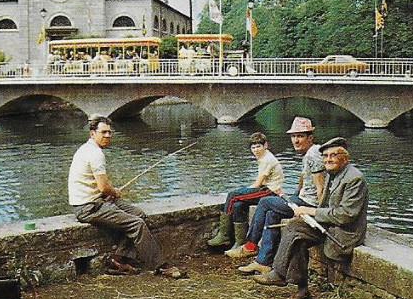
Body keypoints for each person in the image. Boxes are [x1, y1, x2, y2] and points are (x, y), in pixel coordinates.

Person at [68, 116, 186, 279]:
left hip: (97, 201)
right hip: (88, 208)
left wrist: (107, 196)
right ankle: (160, 266)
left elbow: (97, 188)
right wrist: (114, 193)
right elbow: (104, 187)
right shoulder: (95, 154)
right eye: (104, 132)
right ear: (92, 134)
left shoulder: (87, 150)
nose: (108, 135)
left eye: (110, 132)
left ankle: (117, 260)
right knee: (137, 224)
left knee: (139, 215)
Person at [254, 139, 368, 299]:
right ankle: (298, 288)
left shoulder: (354, 179)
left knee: (297, 233)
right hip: (329, 224)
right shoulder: (333, 173)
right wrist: (307, 216)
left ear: (345, 158)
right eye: (325, 156)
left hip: (343, 233)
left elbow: (346, 215)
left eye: (333, 155)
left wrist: (310, 211)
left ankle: (281, 276)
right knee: (294, 227)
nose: (328, 159)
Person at [226, 117, 324, 276]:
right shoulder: (309, 154)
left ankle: (250, 246)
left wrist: (320, 214)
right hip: (302, 199)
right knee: (272, 213)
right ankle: (263, 262)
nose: (296, 140)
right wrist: (293, 194)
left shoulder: (313, 155)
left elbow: (321, 187)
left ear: (310, 137)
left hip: (309, 204)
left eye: (300, 136)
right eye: (293, 136)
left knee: (265, 202)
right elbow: (303, 178)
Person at [208, 132, 284, 253]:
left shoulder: (267, 160)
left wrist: (243, 191)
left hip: (269, 191)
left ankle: (224, 235)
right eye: (253, 147)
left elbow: (258, 184)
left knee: (233, 195)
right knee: (238, 205)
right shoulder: (264, 156)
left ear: (266, 146)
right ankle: (240, 241)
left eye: (259, 146)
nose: (256, 150)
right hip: (267, 189)